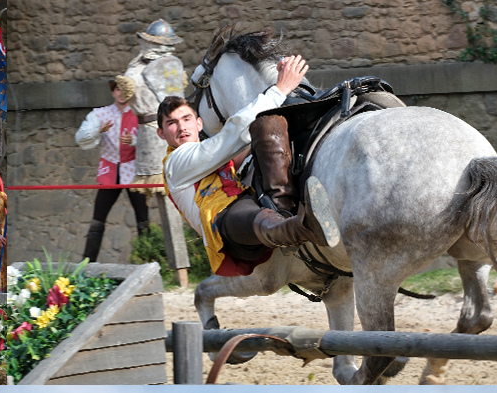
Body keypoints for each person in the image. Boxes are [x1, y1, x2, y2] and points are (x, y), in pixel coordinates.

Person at [159, 54, 319, 280]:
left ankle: (284, 212)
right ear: (161, 133)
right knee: (239, 214)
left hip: (250, 202)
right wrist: (279, 90)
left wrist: (278, 83)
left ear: (199, 123)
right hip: (224, 227)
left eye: (186, 119)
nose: (181, 127)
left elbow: (245, 146)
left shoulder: (209, 154)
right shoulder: (175, 163)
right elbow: (229, 137)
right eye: (171, 123)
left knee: (267, 124)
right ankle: (307, 227)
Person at [123, 18, 191, 284]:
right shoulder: (170, 67)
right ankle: (180, 271)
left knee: (172, 202)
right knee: (174, 200)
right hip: (162, 133)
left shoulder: (137, 71)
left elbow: (128, 91)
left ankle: (182, 272)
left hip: (158, 133)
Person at [75, 76, 147, 261]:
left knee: (143, 218)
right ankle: (87, 264)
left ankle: (148, 262)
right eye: (116, 89)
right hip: (110, 170)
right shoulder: (100, 114)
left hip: (133, 170)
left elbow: (155, 140)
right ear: (112, 92)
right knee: (97, 218)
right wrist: (98, 130)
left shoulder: (140, 114)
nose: (120, 93)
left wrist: (134, 141)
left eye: (123, 89)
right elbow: (80, 137)